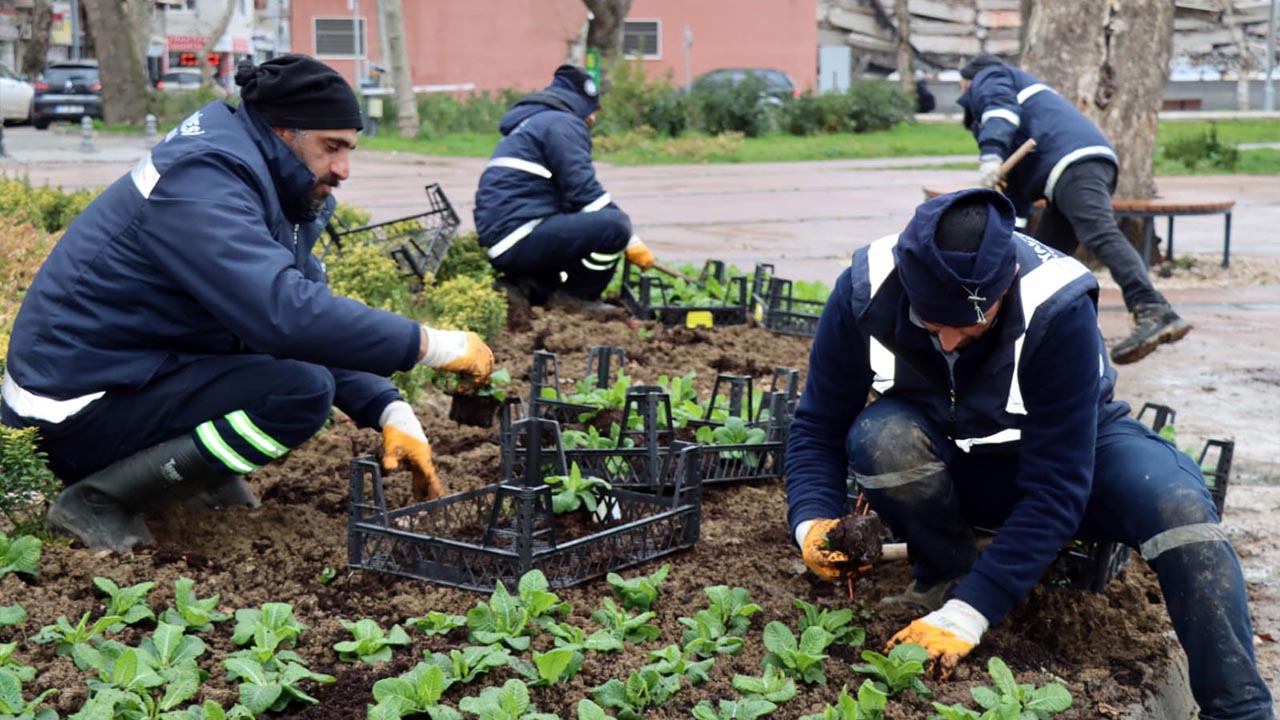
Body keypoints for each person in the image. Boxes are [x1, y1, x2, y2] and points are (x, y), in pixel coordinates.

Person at [785, 189, 1273, 719]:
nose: (947, 343)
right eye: (932, 325)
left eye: (968, 328)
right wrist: (810, 523)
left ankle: (1238, 706)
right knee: (881, 437)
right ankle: (944, 578)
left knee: (1179, 509)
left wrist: (970, 617)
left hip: (1071, 457)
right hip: (950, 461)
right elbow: (818, 424)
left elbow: (1057, 488)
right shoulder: (864, 289)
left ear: (1006, 285)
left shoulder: (1056, 304)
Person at [0, 55, 494, 553]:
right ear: (282, 132)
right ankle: (97, 500)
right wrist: (432, 345)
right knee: (298, 391)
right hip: (69, 411)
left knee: (288, 366)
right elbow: (286, 316)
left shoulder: (268, 183)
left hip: (133, 375)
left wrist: (388, 408)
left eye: (350, 148)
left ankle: (189, 476)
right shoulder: (202, 180)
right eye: (332, 147)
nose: (344, 168)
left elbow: (305, 313)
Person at [956, 54, 1191, 365]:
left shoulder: (992, 76)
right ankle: (1032, 338)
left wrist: (990, 155)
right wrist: (1009, 237)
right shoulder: (1010, 100)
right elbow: (1015, 195)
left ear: (968, 81)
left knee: (1099, 233)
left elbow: (1000, 112)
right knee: (1045, 260)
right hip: (1072, 166)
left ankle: (1152, 308)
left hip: (1073, 162)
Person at [473, 65, 657, 309]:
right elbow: (584, 191)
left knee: (587, 221)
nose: (592, 119)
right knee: (614, 227)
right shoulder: (562, 124)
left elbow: (572, 196)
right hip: (520, 235)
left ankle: (529, 288)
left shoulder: (534, 123)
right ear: (578, 104)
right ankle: (578, 298)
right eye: (591, 110)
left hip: (508, 237)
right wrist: (630, 239)